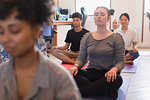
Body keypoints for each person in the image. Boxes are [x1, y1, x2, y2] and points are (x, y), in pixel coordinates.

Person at [0, 0, 81, 100]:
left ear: (36, 30)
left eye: (14, 31)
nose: (5, 39)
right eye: (1, 31)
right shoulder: (2, 74)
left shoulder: (59, 80)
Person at [69, 6, 125, 99]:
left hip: (108, 74)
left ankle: (79, 92)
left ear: (108, 19)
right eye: (96, 14)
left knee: (118, 80)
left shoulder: (116, 38)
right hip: (91, 72)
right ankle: (105, 91)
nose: (99, 16)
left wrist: (114, 70)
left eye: (102, 14)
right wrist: (75, 66)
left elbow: (121, 62)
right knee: (72, 75)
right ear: (94, 18)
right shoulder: (86, 37)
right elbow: (81, 58)